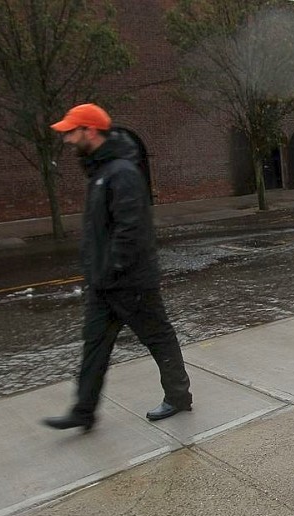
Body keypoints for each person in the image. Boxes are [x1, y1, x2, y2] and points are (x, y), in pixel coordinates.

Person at [43, 103, 192, 432]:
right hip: (104, 284)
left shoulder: (121, 172)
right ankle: (83, 411)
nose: (67, 139)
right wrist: (96, 273)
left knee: (158, 338)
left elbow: (131, 230)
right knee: (94, 346)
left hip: (131, 282)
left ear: (90, 131)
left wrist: (112, 269)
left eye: (71, 131)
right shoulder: (100, 172)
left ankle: (179, 396)